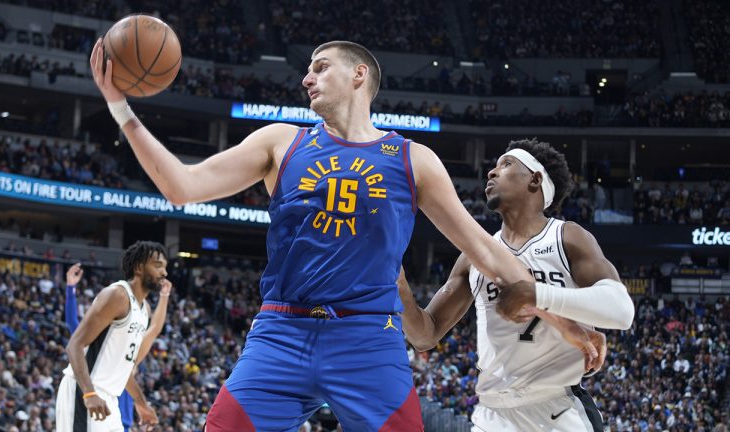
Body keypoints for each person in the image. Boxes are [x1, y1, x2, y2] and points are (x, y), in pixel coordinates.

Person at [90, 39, 534, 431]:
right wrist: (120, 107)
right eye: (308, 69)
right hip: (282, 331)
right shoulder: (281, 142)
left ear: (359, 74)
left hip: (369, 338)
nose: (307, 78)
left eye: (320, 67)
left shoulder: (412, 159)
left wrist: (566, 316)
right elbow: (180, 187)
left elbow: (483, 248)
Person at [398, 139, 635, 432]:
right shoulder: (474, 256)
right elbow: (425, 334)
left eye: (506, 165)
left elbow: (622, 310)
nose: (491, 173)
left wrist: (538, 293)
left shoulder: (567, 237)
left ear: (535, 180)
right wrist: (399, 288)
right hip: (492, 415)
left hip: (557, 412)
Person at [56, 241, 167, 431]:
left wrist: (141, 404)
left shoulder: (144, 310)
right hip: (84, 392)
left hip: (109, 399)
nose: (164, 272)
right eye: (157, 265)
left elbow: (124, 368)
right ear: (139, 268)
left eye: (165, 267)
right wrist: (89, 394)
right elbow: (74, 345)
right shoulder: (117, 296)